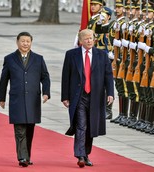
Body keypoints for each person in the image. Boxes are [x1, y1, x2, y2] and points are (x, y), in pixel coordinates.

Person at [61, 29, 114, 168]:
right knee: (81, 125)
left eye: (91, 38)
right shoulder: (71, 55)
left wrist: (110, 93)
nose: (89, 41)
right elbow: (65, 76)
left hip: (95, 96)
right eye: (86, 39)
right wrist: (65, 96)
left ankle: (86, 153)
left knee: (91, 126)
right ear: (80, 41)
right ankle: (80, 156)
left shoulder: (102, 55)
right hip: (78, 96)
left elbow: (108, 75)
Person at [0, 32, 51, 167]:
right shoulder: (9, 59)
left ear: (31, 43)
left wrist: (46, 93)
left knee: (29, 129)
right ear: (17, 42)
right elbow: (4, 79)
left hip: (33, 100)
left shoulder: (38, 59)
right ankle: (22, 157)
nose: (25, 44)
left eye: (28, 41)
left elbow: (45, 77)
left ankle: (27, 156)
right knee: (20, 129)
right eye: (23, 41)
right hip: (17, 99)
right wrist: (1, 98)